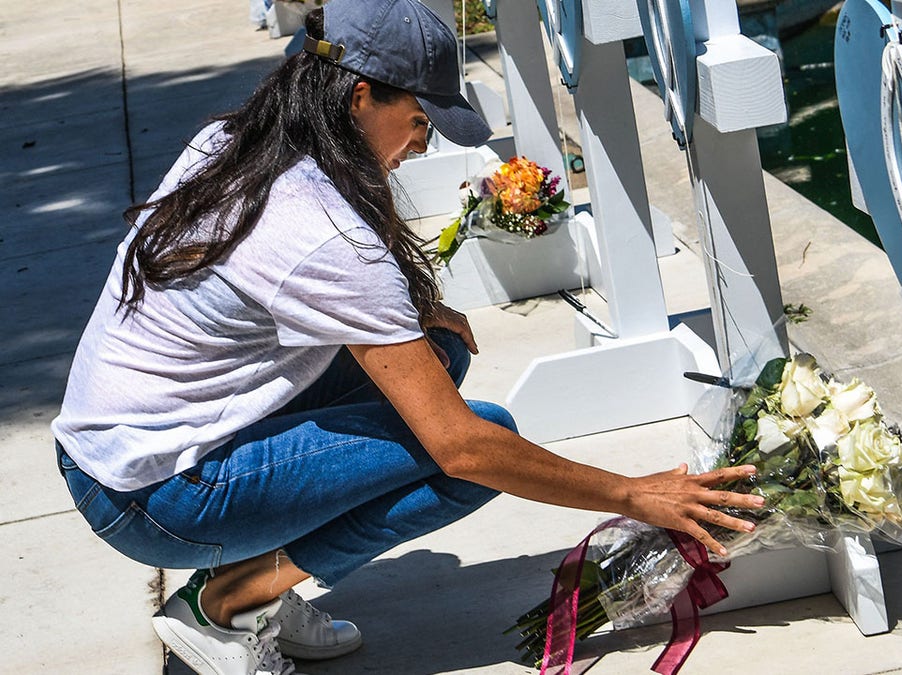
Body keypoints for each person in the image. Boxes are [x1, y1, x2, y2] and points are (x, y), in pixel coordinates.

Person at [50, 1, 764, 673]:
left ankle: (250, 568)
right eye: (420, 120)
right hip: (153, 497)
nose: (420, 146)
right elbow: (462, 446)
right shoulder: (322, 234)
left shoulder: (239, 139)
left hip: (110, 450)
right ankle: (226, 603)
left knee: (440, 353)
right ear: (360, 95)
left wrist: (414, 314)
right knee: (473, 448)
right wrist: (634, 493)